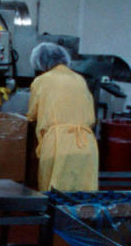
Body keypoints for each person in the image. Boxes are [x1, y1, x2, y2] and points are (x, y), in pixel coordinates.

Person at [26, 42, 98, 191]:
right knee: (82, 198)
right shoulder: (79, 79)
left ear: (41, 62)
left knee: (54, 195)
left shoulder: (41, 81)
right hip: (86, 145)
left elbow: (32, 115)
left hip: (58, 145)